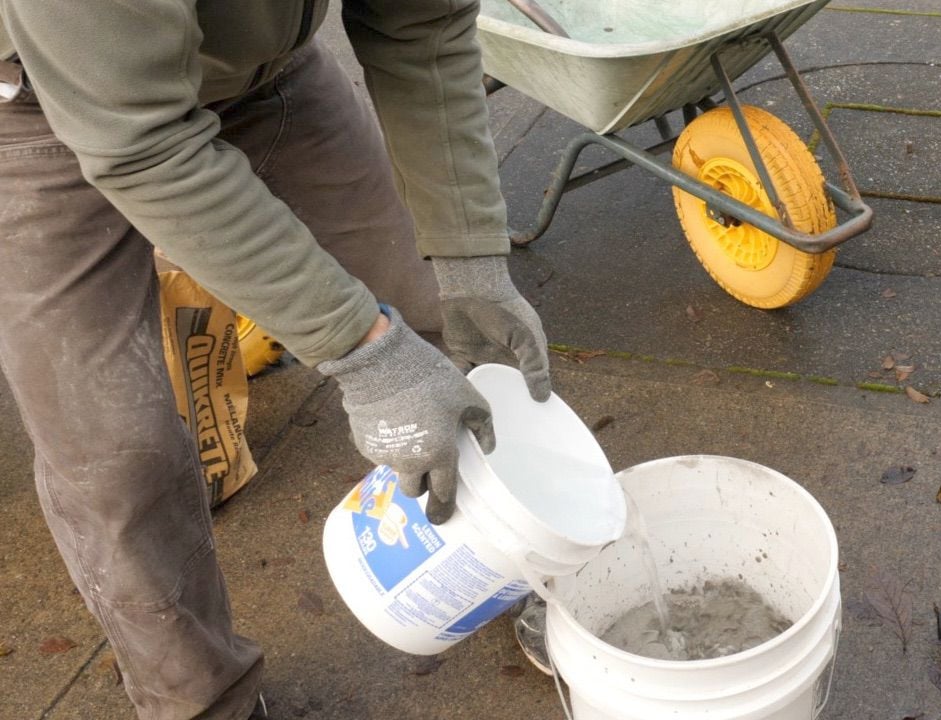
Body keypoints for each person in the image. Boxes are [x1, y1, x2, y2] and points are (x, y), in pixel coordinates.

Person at [0, 1, 550, 717]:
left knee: (439, 311)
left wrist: (470, 257)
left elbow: (421, 25)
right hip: (42, 113)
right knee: (118, 458)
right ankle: (205, 701)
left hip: (260, 74)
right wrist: (365, 356)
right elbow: (143, 146)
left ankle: (509, 556)